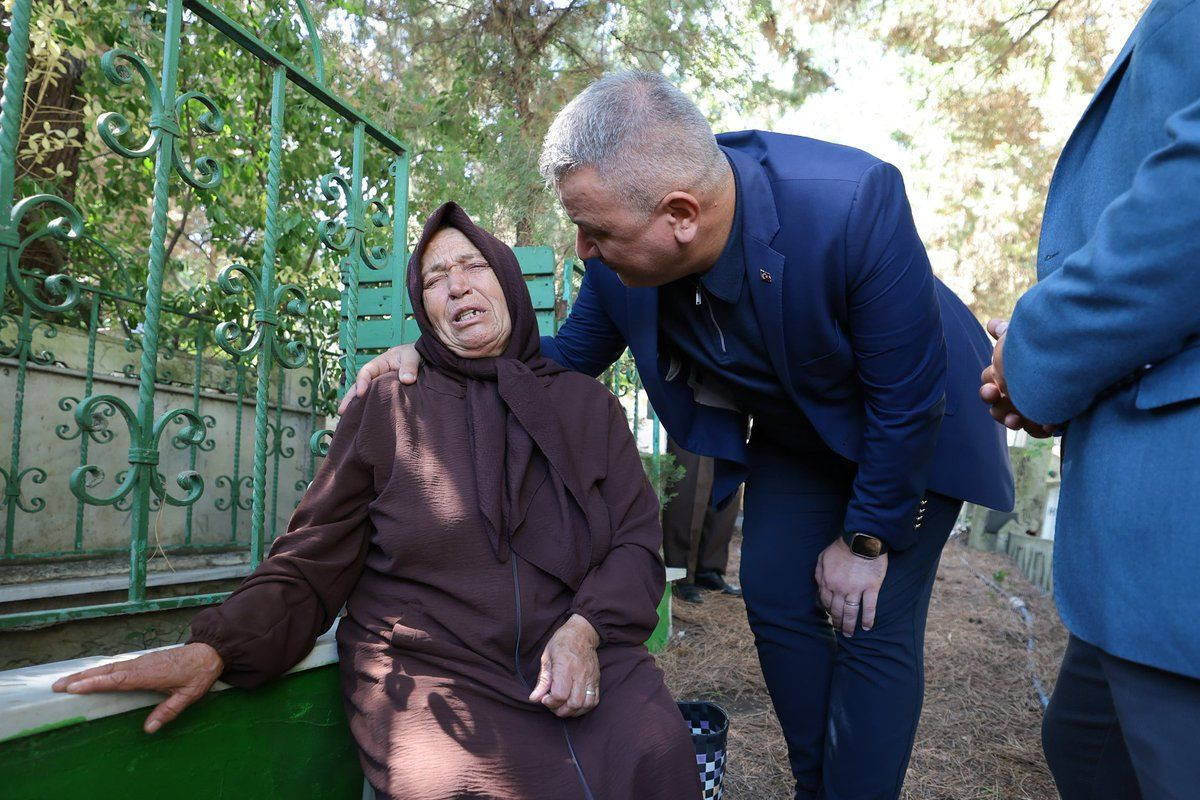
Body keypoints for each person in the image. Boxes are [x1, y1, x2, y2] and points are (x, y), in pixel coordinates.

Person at [346, 73, 1015, 799]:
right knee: (774, 591)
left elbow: (906, 397)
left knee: (866, 618)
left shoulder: (852, 204)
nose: (584, 249)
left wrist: (866, 542)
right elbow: (557, 368)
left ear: (680, 216)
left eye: (596, 231)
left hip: (921, 420)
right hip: (801, 431)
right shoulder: (617, 265)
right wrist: (432, 354)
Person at [51, 202, 701, 800]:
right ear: (425, 309)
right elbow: (311, 556)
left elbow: (636, 546)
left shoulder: (587, 407)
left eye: (474, 266)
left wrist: (584, 632)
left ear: (508, 282)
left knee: (655, 748)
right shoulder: (390, 402)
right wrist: (218, 646)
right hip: (433, 668)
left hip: (583, 652)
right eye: (435, 279)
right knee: (460, 784)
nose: (456, 285)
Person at [978, 2, 1200, 797]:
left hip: (1180, 544)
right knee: (1083, 747)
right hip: (1139, 565)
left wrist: (1033, 357)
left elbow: (1183, 216)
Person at [661, 436, 742, 604]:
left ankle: (709, 569)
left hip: (735, 412)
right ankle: (681, 573)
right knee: (689, 478)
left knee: (728, 481)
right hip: (695, 411)